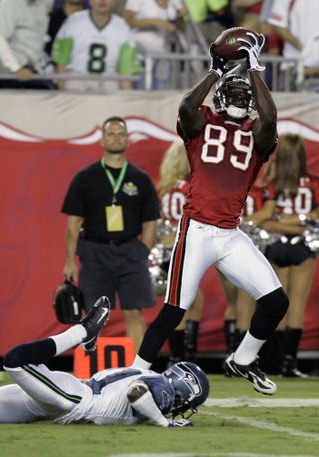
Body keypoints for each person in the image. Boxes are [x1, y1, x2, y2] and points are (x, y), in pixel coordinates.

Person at [133, 31, 290, 396]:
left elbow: (270, 118)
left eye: (244, 95)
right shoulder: (202, 123)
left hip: (231, 235)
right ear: (219, 98)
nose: (239, 98)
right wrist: (216, 72)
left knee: (276, 302)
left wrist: (253, 71)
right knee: (174, 310)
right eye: (232, 93)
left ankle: (244, 359)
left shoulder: (257, 133)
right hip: (198, 230)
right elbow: (186, 107)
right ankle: (133, 374)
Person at [0, 293, 209, 426]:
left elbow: (138, 380)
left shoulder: (146, 373)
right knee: (15, 361)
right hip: (73, 399)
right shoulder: (159, 389)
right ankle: (82, 331)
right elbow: (138, 394)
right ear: (184, 391)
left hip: (56, 401)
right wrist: (165, 422)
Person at [62, 116, 160, 351]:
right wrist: (69, 262)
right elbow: (73, 224)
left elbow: (150, 222)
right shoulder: (85, 178)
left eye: (120, 133)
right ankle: (92, 374)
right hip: (94, 251)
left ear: (128, 140)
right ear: (102, 140)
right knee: (94, 315)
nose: (116, 137)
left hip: (130, 251)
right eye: (111, 133)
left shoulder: (141, 179)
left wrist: (142, 252)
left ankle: (138, 371)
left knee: (134, 312)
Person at [260, 134, 319, 378]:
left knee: (279, 306)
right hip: (303, 247)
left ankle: (274, 362)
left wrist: (282, 223)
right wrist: (299, 224)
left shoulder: (272, 182)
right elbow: (314, 217)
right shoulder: (314, 181)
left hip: (277, 246)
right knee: (296, 306)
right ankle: (288, 365)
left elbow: (266, 219)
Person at [158, 138, 204, 363]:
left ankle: (181, 354)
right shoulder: (190, 185)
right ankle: (181, 356)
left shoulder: (163, 188)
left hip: (166, 249)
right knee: (185, 302)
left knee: (185, 300)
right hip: (183, 246)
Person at [52, 0, 141, 91]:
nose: (102, 1)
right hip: (77, 78)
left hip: (109, 80)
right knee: (73, 83)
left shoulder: (122, 27)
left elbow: (125, 73)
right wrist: (62, 92)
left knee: (112, 86)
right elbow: (61, 63)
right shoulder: (73, 22)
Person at [0, 0, 54, 89]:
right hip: (14, 69)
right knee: (45, 95)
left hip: (34, 65)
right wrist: (16, 68)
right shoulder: (9, 3)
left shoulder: (43, 4)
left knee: (50, 92)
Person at [123, 0, 185, 90]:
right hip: (140, 54)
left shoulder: (176, 1)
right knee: (142, 94)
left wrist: (181, 18)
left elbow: (182, 28)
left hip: (163, 53)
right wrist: (155, 22)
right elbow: (127, 20)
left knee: (164, 94)